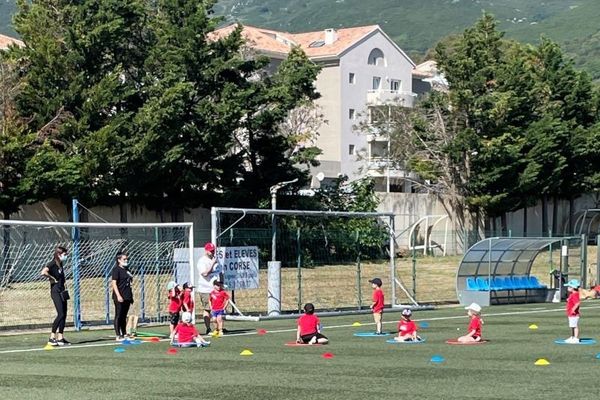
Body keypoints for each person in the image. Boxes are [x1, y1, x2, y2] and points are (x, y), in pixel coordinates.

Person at [40, 246, 71, 346]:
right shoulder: (52, 263)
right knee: (60, 314)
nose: (66, 256)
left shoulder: (60, 263)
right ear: (58, 254)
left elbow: (62, 276)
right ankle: (52, 337)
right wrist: (52, 278)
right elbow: (43, 272)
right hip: (55, 292)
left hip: (62, 291)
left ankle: (60, 337)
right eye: (64, 255)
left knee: (65, 314)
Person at [195, 242, 220, 334]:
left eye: (213, 251)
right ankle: (208, 328)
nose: (213, 252)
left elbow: (219, 271)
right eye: (211, 251)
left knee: (217, 309)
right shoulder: (202, 261)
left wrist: (220, 284)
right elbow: (205, 273)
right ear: (206, 251)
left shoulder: (215, 260)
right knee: (208, 309)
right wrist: (213, 263)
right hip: (205, 289)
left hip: (215, 289)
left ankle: (218, 328)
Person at [111, 252, 133, 341]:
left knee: (124, 315)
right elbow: (114, 284)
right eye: (124, 259)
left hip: (127, 295)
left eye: (127, 259)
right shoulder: (116, 270)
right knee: (118, 315)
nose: (126, 260)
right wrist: (118, 295)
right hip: (119, 296)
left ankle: (124, 333)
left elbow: (129, 282)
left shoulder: (127, 269)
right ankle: (118, 334)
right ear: (119, 260)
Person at [565, 279, 581, 343]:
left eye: (569, 287)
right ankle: (572, 337)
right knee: (572, 326)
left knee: (575, 326)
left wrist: (573, 309)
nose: (567, 288)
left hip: (574, 314)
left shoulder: (574, 294)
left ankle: (576, 338)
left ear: (573, 288)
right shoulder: (573, 294)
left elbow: (577, 303)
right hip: (571, 314)